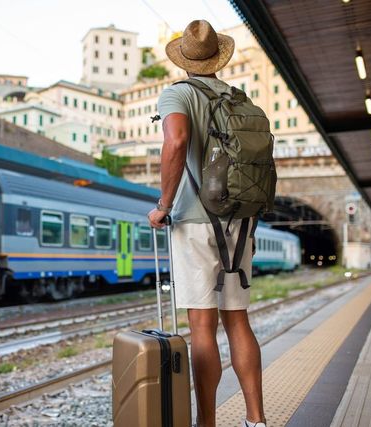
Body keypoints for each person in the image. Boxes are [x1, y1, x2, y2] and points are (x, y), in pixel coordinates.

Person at [148, 20, 266, 427]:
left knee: (202, 324)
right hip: (242, 220)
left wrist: (163, 205)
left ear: (184, 60)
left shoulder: (176, 94)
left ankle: (207, 422)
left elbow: (177, 141)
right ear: (218, 58)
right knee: (238, 319)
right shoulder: (237, 97)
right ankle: (256, 420)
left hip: (197, 221)